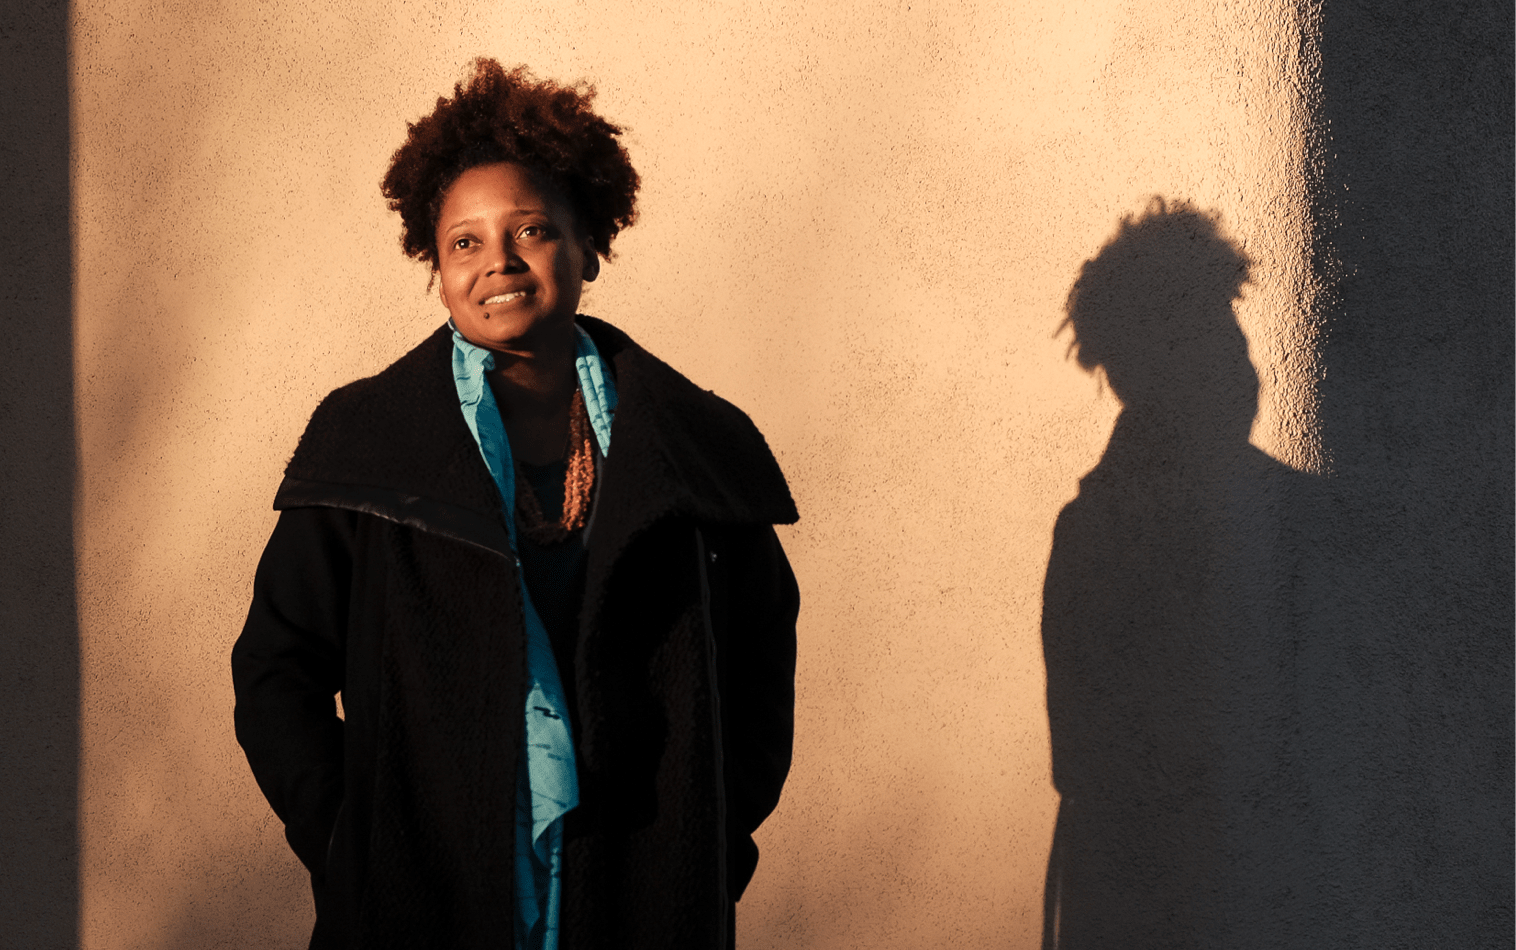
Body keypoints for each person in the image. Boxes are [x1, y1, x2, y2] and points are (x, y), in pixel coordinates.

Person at [231, 59, 800, 950]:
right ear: (437, 264)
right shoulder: (368, 446)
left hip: (643, 896)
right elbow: (275, 671)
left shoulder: (696, 449)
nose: (497, 260)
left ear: (588, 247)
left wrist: (714, 841)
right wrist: (353, 843)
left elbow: (762, 657)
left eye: (531, 229)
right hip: (421, 906)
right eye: (464, 241)